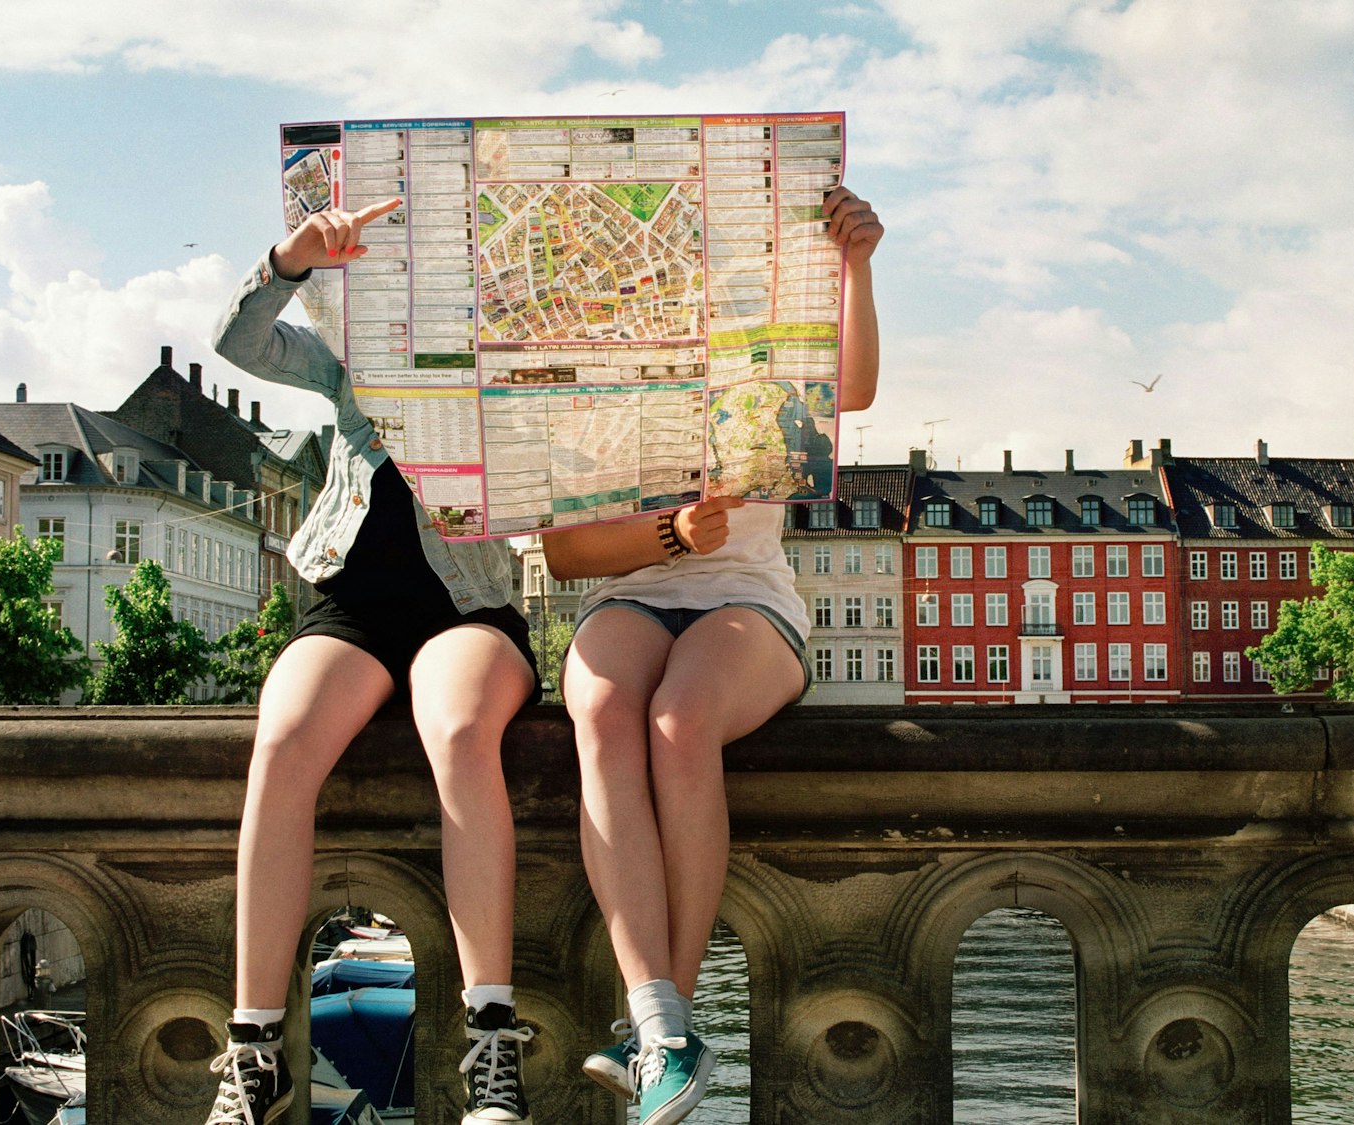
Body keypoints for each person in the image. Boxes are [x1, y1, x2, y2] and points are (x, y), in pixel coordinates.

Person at [544, 186, 885, 1125]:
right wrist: (670, 537)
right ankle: (665, 1026)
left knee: (677, 719)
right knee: (605, 711)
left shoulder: (765, 361)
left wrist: (855, 263)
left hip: (748, 602)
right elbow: (569, 556)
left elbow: (850, 388)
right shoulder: (593, 381)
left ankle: (660, 1021)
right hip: (636, 592)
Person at [204, 198, 542, 1125]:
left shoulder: (512, 359)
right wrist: (289, 262)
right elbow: (239, 342)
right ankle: (256, 1049)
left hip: (465, 603)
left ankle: (489, 1044)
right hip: (347, 599)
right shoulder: (347, 352)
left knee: (461, 728)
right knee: (281, 742)